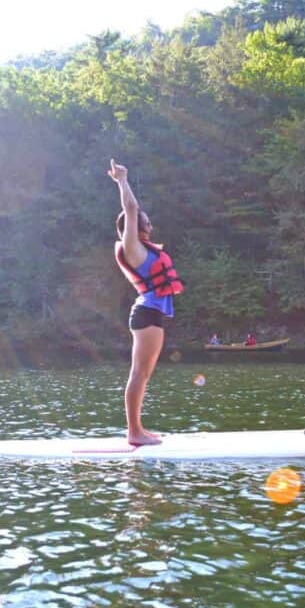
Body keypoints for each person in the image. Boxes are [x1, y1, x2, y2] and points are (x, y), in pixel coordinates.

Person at [110, 159, 184, 445]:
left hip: (151, 315)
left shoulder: (145, 249)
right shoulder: (132, 248)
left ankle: (138, 429)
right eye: (146, 221)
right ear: (134, 228)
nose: (150, 224)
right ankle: (134, 432)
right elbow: (130, 208)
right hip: (145, 314)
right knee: (139, 373)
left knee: (144, 373)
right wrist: (122, 181)